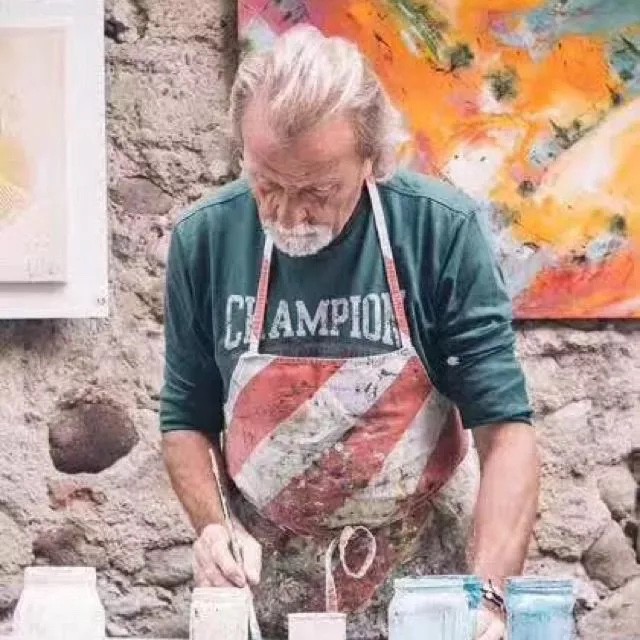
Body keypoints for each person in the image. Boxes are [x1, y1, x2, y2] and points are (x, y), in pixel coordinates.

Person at [160, 25, 539, 640]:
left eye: (317, 190)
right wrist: (213, 527)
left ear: (371, 162)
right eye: (267, 184)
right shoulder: (205, 239)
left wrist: (488, 597)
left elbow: (506, 433)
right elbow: (186, 420)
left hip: (429, 586)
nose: (289, 214)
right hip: (267, 582)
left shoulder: (438, 232)